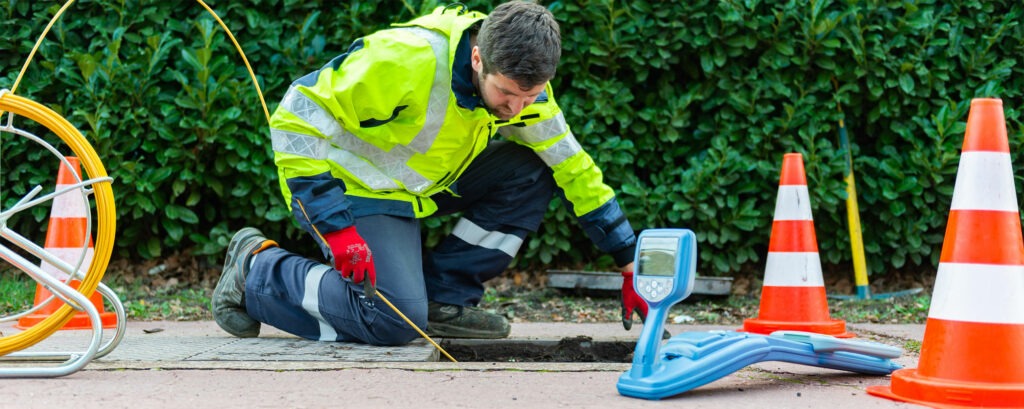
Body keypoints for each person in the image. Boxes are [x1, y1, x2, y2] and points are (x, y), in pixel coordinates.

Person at [212, 0, 640, 346]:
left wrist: (626, 260)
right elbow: (297, 114)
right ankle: (256, 272)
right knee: (392, 321)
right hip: (360, 188)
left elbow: (572, 164)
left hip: (422, 187)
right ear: (478, 58)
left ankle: (442, 298)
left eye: (530, 96)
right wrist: (333, 223)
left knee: (533, 169)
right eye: (506, 94)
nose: (516, 109)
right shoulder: (406, 59)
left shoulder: (527, 90)